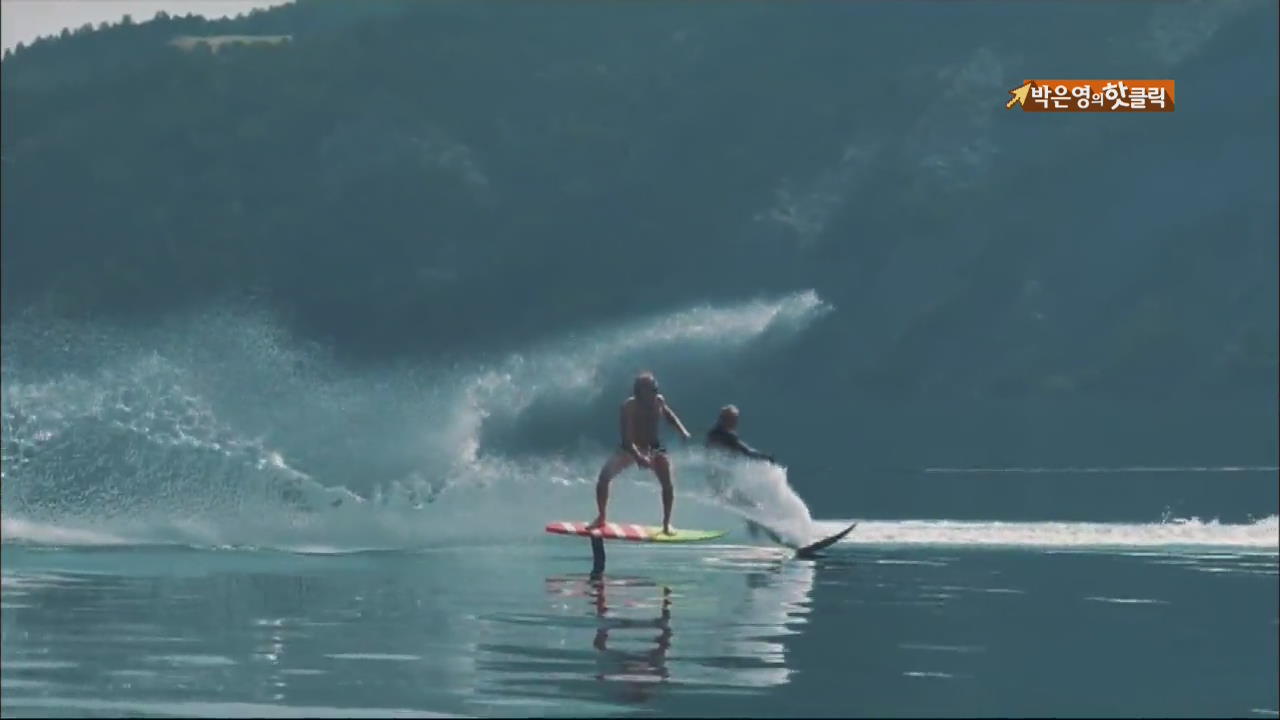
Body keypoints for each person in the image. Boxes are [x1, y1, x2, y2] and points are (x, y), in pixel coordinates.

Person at [588, 372, 692, 535]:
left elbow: (668, 415)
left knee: (667, 483)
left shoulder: (659, 400)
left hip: (653, 446)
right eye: (650, 389)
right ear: (639, 391)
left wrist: (682, 430)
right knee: (604, 478)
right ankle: (601, 516)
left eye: (655, 388)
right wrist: (638, 457)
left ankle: (666, 524)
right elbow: (627, 440)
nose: (654, 391)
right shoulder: (629, 406)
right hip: (629, 448)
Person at [705, 404, 784, 543]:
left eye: (735, 419)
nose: (735, 422)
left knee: (750, 511)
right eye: (733, 419)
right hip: (722, 485)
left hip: (721, 484)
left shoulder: (716, 433)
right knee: (753, 509)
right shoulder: (723, 435)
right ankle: (773, 540)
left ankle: (759, 539)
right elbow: (745, 451)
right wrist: (765, 457)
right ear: (725, 419)